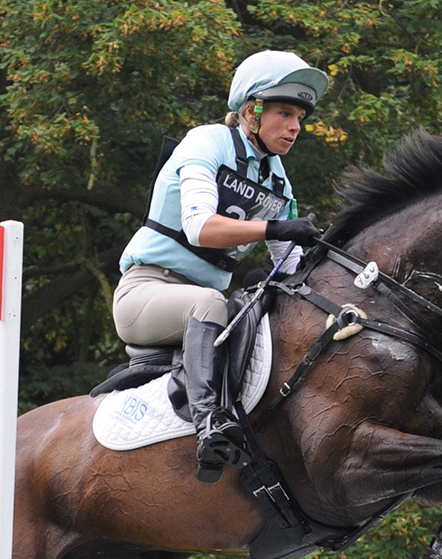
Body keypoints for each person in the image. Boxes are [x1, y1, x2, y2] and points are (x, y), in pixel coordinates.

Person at [112, 51, 327, 483]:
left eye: (300, 117)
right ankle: (209, 423)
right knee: (212, 302)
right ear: (252, 112)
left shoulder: (278, 181)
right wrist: (274, 228)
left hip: (202, 307)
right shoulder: (205, 142)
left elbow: (289, 265)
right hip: (144, 293)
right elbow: (199, 228)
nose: (295, 127)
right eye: (285, 113)